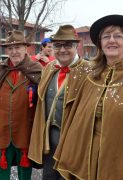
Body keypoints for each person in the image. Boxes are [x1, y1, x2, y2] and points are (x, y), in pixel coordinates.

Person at [53, 15, 123, 180]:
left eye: (118, 36)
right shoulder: (91, 77)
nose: (111, 40)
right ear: (100, 43)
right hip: (89, 159)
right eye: (106, 36)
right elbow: (76, 121)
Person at [28, 24, 92, 180]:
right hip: (49, 140)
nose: (62, 50)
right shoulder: (49, 68)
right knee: (49, 176)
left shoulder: (90, 71)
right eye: (57, 45)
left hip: (75, 142)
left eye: (67, 45)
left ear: (76, 46)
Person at [0, 30, 42, 179]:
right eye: (10, 48)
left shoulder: (37, 70)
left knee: (25, 172)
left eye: (18, 47)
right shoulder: (0, 70)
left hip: (26, 131)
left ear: (26, 48)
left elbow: (44, 104)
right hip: (2, 131)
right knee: (2, 173)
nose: (14, 52)